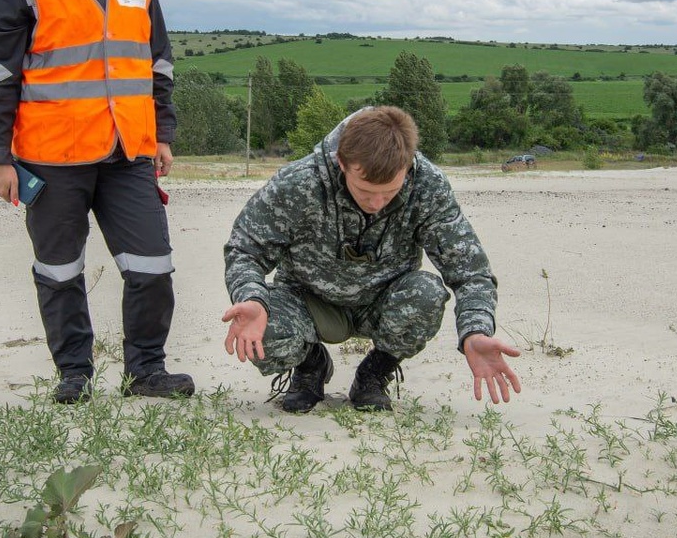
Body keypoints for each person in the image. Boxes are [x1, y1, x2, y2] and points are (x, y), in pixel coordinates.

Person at [0, 0, 193, 405]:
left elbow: (158, 62)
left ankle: (146, 370)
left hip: (128, 154)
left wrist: (161, 133)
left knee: (152, 264)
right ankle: (74, 373)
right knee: (59, 269)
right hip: (52, 158)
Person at [221, 105, 521, 413]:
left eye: (389, 192)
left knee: (427, 294)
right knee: (260, 326)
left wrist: (475, 331)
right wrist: (252, 298)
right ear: (342, 162)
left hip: (382, 301)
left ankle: (374, 374)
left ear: (406, 167)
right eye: (365, 191)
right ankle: (311, 366)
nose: (376, 204)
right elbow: (245, 248)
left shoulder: (427, 186)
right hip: (309, 300)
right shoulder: (299, 183)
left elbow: (470, 271)